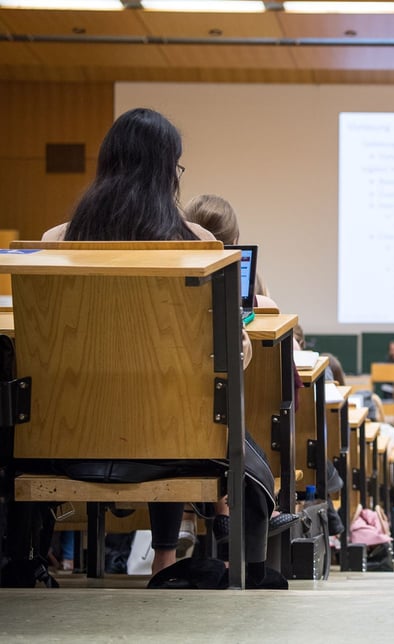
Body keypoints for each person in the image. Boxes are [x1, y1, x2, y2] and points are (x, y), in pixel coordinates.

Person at [41, 108, 287, 587]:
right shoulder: (197, 245)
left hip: (66, 440)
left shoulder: (55, 243)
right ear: (166, 171)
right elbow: (235, 355)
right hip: (172, 441)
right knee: (180, 406)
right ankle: (236, 561)